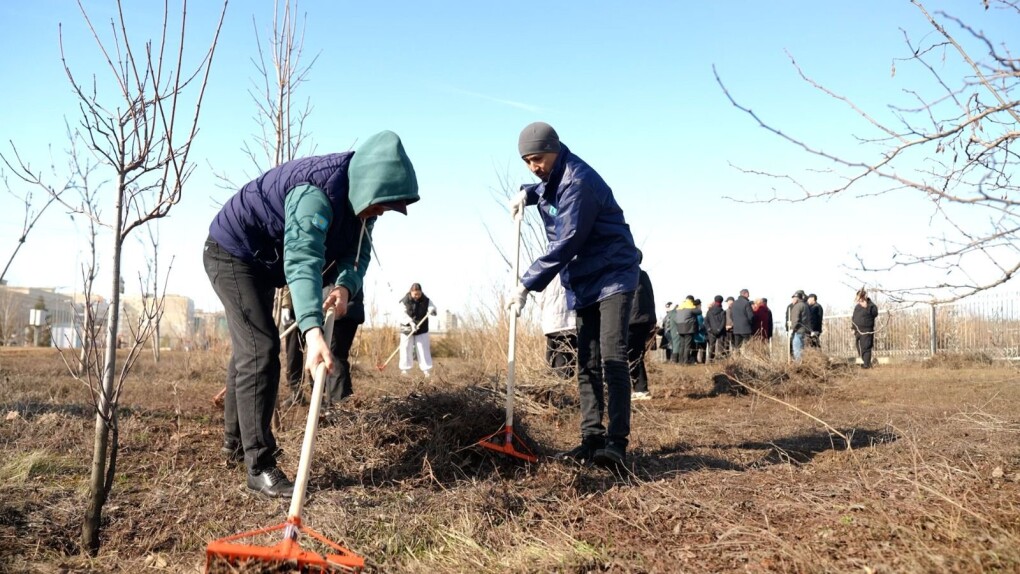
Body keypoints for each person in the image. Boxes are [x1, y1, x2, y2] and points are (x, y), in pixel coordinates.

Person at [204, 130, 419, 498]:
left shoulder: (362, 202)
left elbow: (357, 254)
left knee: (251, 347)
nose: (380, 212)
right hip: (232, 252)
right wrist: (312, 331)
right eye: (381, 204)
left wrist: (344, 286)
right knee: (261, 346)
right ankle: (259, 466)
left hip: (264, 263)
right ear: (369, 183)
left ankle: (235, 444)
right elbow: (302, 260)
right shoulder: (315, 194)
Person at [508, 121, 639, 469]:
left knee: (611, 357)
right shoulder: (556, 175)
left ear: (555, 148)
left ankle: (616, 444)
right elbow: (548, 187)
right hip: (584, 279)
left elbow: (567, 241)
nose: (534, 167)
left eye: (537, 159)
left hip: (612, 275)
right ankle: (591, 439)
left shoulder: (579, 182)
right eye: (527, 162)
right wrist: (528, 192)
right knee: (586, 360)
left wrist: (526, 283)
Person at [627, 252, 656, 400]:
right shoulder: (643, 275)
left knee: (630, 354)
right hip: (644, 321)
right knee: (636, 355)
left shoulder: (629, 274)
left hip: (633, 321)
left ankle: (639, 389)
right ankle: (640, 388)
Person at [540, 276, 578, 378]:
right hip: (570, 321)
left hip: (553, 321)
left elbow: (542, 297)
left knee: (553, 369)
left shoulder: (549, 263)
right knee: (565, 369)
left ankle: (555, 392)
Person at [398, 283, 437, 377]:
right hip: (407, 326)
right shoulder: (404, 301)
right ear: (411, 292)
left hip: (421, 326)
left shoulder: (426, 300)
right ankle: (404, 370)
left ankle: (426, 370)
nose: (417, 296)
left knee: (422, 348)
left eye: (418, 294)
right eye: (415, 294)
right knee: (406, 347)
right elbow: (401, 313)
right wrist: (410, 322)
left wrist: (432, 309)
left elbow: (433, 308)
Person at [852, 288, 879, 368]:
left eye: (860, 298)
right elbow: (854, 317)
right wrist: (853, 328)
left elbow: (875, 313)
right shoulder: (857, 307)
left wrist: (867, 307)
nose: (858, 300)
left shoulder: (871, 305)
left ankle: (866, 365)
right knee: (859, 347)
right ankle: (866, 361)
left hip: (866, 330)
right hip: (857, 330)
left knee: (866, 347)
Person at [670, 297, 698, 364]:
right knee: (687, 345)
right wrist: (693, 306)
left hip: (680, 328)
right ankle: (686, 361)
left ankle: (681, 361)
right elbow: (699, 311)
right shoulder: (690, 309)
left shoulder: (679, 309)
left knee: (682, 345)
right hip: (688, 329)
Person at [788, 290, 812, 361]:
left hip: (798, 331)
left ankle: (799, 367)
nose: (792, 300)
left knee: (797, 351)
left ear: (796, 298)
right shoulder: (805, 305)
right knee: (802, 351)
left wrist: (792, 329)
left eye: (793, 298)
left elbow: (796, 319)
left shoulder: (797, 306)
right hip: (804, 331)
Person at [704, 295, 727, 363]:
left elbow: (706, 321)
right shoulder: (722, 311)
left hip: (711, 331)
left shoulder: (709, 311)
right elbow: (723, 322)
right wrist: (719, 329)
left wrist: (709, 329)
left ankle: (710, 360)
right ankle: (720, 361)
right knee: (720, 347)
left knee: (711, 346)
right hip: (720, 331)